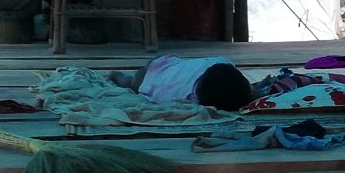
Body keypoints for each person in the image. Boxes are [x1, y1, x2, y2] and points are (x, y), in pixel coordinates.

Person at [108, 55, 253, 112]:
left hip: (169, 63)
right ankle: (116, 76)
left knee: (137, 79)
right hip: (155, 74)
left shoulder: (223, 62)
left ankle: (118, 76)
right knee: (128, 82)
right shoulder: (189, 98)